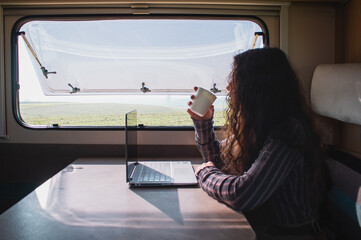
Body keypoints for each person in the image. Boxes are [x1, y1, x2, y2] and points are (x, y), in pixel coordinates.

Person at [187, 48, 328, 240]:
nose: (229, 88)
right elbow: (217, 160)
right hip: (260, 229)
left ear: (257, 87)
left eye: (236, 79)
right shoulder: (256, 128)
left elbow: (242, 194)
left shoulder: (289, 132)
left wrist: (205, 174)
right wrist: (203, 122)